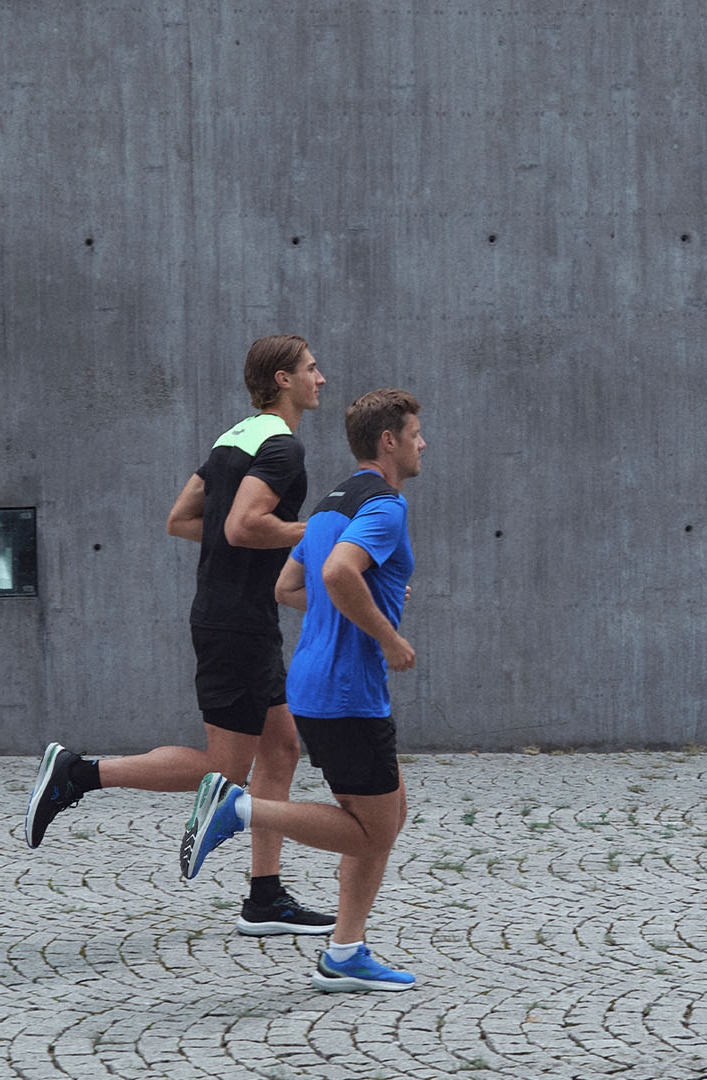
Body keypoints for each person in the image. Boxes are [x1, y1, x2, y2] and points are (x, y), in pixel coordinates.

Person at [25, 334, 335, 938]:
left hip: (235, 616)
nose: (320, 378)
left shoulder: (232, 439)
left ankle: (264, 896)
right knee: (225, 766)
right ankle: (78, 773)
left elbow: (182, 520)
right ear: (282, 380)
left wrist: (242, 544)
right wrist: (315, 531)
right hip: (237, 624)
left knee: (281, 749)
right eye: (311, 368)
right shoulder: (282, 449)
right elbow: (245, 526)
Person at [181, 388, 425, 992]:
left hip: (314, 682)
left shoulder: (330, 502)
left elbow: (290, 586)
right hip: (347, 691)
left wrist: (373, 599)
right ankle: (237, 809)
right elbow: (339, 573)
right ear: (388, 441)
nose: (424, 443)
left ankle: (346, 949)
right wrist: (387, 634)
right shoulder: (385, 505)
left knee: (389, 810)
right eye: (416, 433)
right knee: (373, 828)